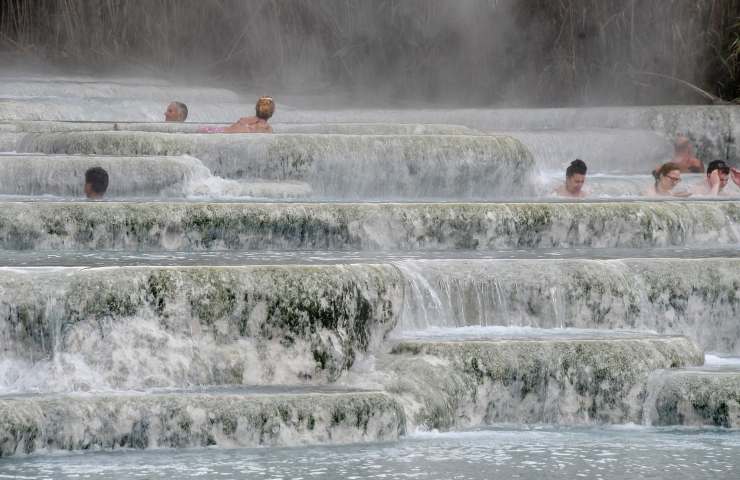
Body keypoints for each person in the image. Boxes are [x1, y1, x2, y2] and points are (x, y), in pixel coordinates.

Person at [199, 96, 275, 134]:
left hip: (216, 131)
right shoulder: (268, 130)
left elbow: (227, 130)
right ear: (271, 113)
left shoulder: (244, 121)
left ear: (256, 108)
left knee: (201, 129)